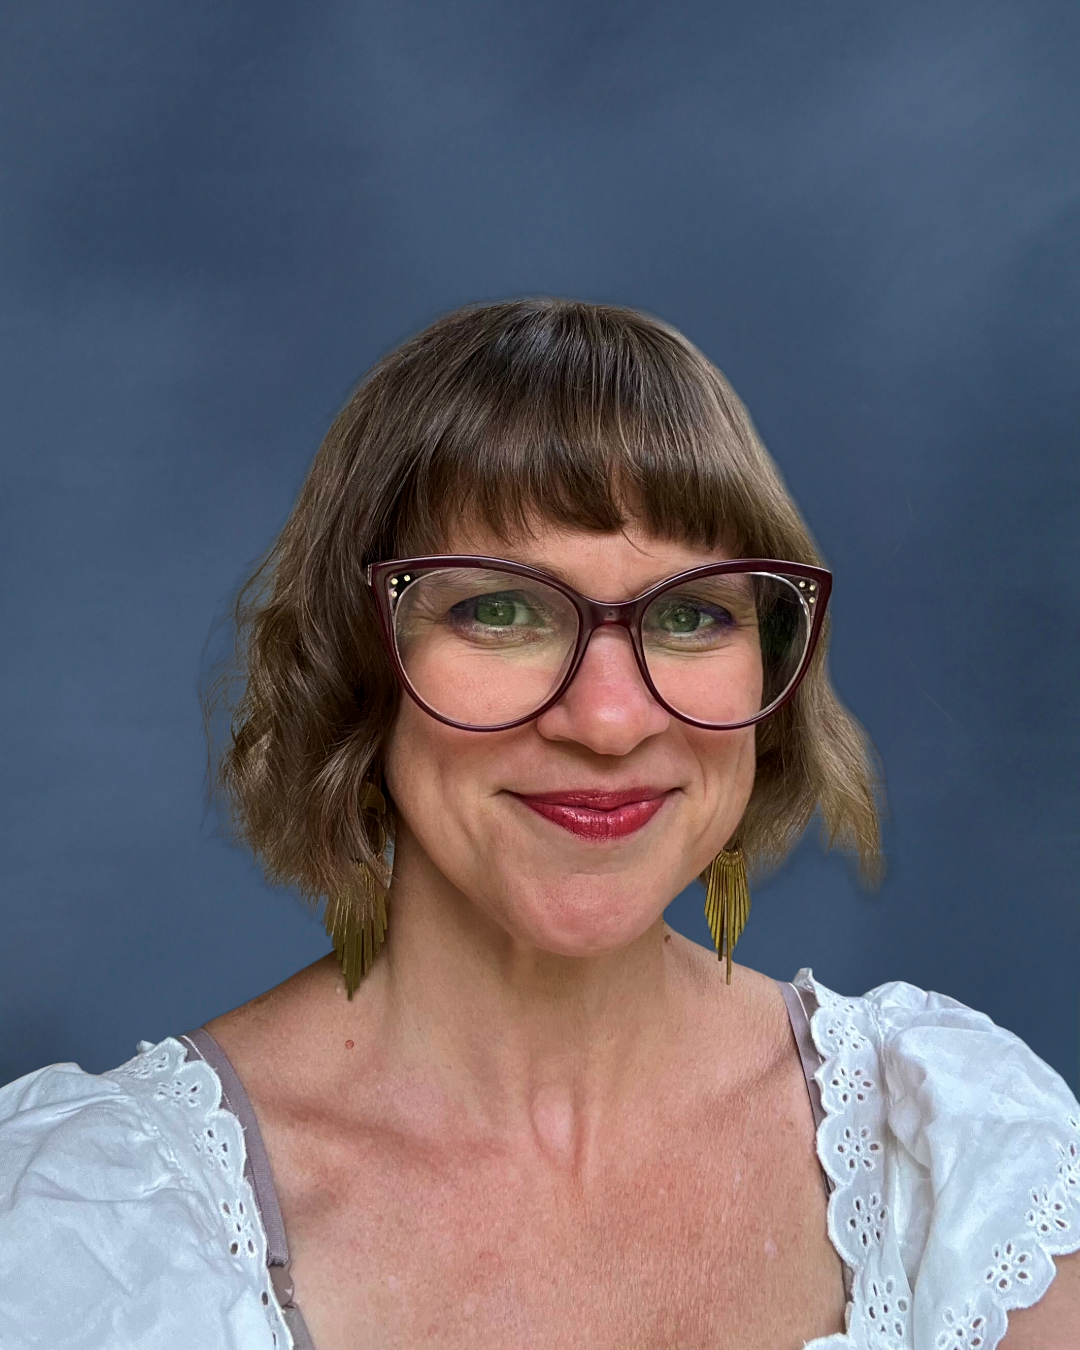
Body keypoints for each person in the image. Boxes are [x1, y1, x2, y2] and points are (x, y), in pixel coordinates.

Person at [1, 299, 1077, 1350]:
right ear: (354, 660)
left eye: (693, 613)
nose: (610, 721)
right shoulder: (95, 1232)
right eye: (501, 611)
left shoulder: (951, 1157)